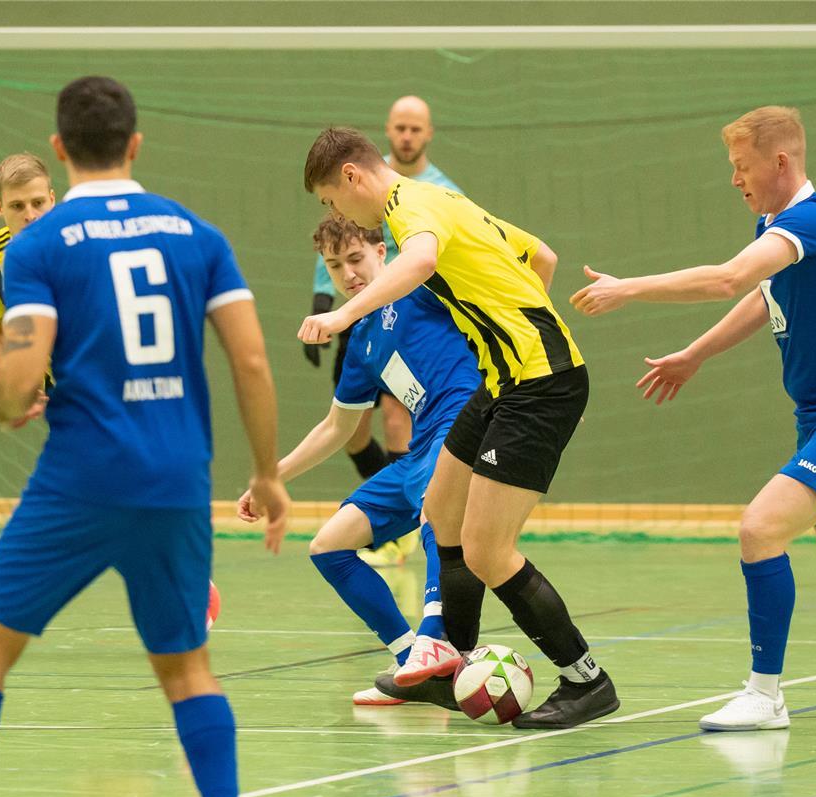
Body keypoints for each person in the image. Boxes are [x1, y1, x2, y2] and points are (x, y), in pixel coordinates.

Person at [0, 76, 288, 797]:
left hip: (80, 479)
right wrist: (267, 475)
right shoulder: (198, 234)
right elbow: (250, 359)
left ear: (60, 150)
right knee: (188, 672)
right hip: (178, 479)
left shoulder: (35, 249)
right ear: (135, 144)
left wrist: (8, 401)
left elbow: (21, 368)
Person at [571, 106, 816, 731]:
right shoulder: (777, 227)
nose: (735, 179)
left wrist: (627, 287)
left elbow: (727, 281)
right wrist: (694, 354)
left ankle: (765, 694)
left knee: (759, 529)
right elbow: (759, 295)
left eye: (742, 167)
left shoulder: (813, 220)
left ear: (780, 161)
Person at [299, 127, 619, 729]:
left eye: (331, 200)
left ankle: (585, 679)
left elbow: (420, 262)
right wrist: (509, 324)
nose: (336, 214)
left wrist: (343, 312)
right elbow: (540, 255)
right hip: (502, 380)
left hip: (541, 386)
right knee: (441, 513)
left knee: (488, 550)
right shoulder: (443, 199)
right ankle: (450, 662)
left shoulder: (409, 210)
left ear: (350, 177)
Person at [238, 216, 479, 707]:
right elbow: (336, 428)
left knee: (438, 506)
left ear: (381, 253)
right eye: (334, 266)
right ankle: (411, 658)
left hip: (462, 427)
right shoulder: (362, 341)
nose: (347, 274)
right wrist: (270, 477)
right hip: (420, 449)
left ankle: (436, 637)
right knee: (328, 546)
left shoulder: (422, 289)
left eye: (355, 259)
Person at [304, 99, 462, 557]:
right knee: (350, 431)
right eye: (400, 128)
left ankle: (413, 519)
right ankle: (396, 508)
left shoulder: (437, 191)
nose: (407, 136)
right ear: (388, 132)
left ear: (428, 133)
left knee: (399, 416)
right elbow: (339, 241)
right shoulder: (359, 182)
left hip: (409, 315)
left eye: (416, 128)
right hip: (358, 316)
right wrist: (323, 300)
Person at [0, 153, 56, 423]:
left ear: (52, 200)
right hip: (63, 395)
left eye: (38, 203)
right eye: (17, 206)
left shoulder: (84, 241)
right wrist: (25, 381)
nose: (30, 215)